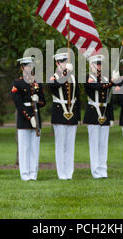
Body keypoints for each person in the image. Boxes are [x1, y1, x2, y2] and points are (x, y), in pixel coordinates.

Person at [83, 54, 119, 179]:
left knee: (103, 144)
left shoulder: (106, 78)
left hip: (105, 113)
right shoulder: (88, 78)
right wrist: (111, 82)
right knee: (94, 144)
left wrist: (112, 117)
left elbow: (110, 99)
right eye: (96, 64)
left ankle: (103, 171)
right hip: (93, 113)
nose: (99, 67)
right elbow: (97, 87)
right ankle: (96, 171)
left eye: (100, 64)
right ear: (91, 65)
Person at [11, 56, 46, 181]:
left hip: (36, 117)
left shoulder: (37, 82)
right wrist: (29, 117)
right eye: (26, 66)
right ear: (22, 67)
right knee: (24, 148)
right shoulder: (17, 83)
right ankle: (25, 175)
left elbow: (43, 101)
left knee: (35, 148)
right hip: (24, 118)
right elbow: (18, 103)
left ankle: (33, 174)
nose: (28, 68)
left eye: (30, 66)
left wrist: (38, 101)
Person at [48, 52, 81, 180]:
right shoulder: (53, 76)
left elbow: (77, 97)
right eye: (62, 62)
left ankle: (69, 172)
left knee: (70, 146)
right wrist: (65, 74)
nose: (64, 64)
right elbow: (55, 86)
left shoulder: (72, 77)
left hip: (71, 113)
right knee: (60, 145)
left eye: (66, 62)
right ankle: (61, 173)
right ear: (57, 63)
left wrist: (78, 117)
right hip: (59, 114)